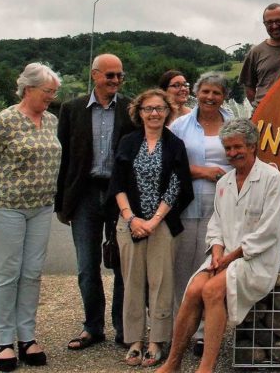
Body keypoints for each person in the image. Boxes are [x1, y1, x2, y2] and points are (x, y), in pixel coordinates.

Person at [158, 118, 280, 373]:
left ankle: (206, 367)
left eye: (237, 147)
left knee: (212, 290)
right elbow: (216, 225)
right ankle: (173, 362)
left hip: (256, 259)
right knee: (194, 289)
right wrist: (217, 253)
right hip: (224, 256)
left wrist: (229, 259)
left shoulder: (272, 178)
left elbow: (268, 232)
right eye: (227, 148)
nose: (232, 153)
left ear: (252, 146)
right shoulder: (225, 182)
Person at [0, 63, 63, 372]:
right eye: (47, 91)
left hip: (41, 207)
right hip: (6, 206)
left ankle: (27, 336)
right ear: (28, 89)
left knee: (33, 272)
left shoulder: (50, 121)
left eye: (54, 92)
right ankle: (4, 342)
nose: (51, 97)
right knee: (8, 272)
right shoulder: (6, 120)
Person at [55, 53, 137, 349]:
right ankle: (92, 327)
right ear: (94, 75)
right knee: (87, 266)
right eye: (109, 75)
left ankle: (123, 328)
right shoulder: (72, 109)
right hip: (85, 195)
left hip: (120, 196)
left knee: (122, 265)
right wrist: (61, 202)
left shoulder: (130, 110)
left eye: (119, 75)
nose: (115, 80)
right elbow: (62, 158)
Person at [110, 89, 194, 367]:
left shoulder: (175, 144)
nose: (154, 113)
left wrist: (154, 221)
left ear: (167, 112)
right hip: (129, 223)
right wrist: (131, 219)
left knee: (162, 283)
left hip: (163, 224)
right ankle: (134, 339)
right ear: (139, 112)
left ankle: (157, 340)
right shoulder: (128, 142)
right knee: (132, 282)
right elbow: (118, 183)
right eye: (148, 109)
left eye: (159, 108)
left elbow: (177, 185)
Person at [168, 71, 233, 356]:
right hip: (188, 205)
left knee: (214, 269)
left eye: (216, 93)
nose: (210, 97)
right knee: (183, 269)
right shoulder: (180, 125)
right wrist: (201, 171)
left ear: (224, 97)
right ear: (197, 93)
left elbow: (246, 156)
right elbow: (168, 162)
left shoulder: (235, 124)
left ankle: (207, 333)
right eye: (205, 91)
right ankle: (181, 330)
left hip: (225, 208)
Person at [238, 2, 280, 107]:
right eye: (269, 22)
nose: (274, 26)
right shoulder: (255, 52)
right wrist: (260, 107)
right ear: (264, 24)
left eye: (279, 21)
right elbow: (249, 87)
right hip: (264, 116)